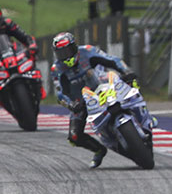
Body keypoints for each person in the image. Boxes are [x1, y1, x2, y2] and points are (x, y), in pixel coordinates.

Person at [49, 31, 139, 168]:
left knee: (131, 87)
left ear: (75, 46)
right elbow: (60, 94)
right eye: (61, 53)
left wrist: (126, 71)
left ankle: (142, 115)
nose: (66, 56)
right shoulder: (56, 69)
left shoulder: (88, 51)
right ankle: (99, 150)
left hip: (103, 86)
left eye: (68, 50)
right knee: (74, 137)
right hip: (81, 101)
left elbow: (113, 60)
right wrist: (71, 104)